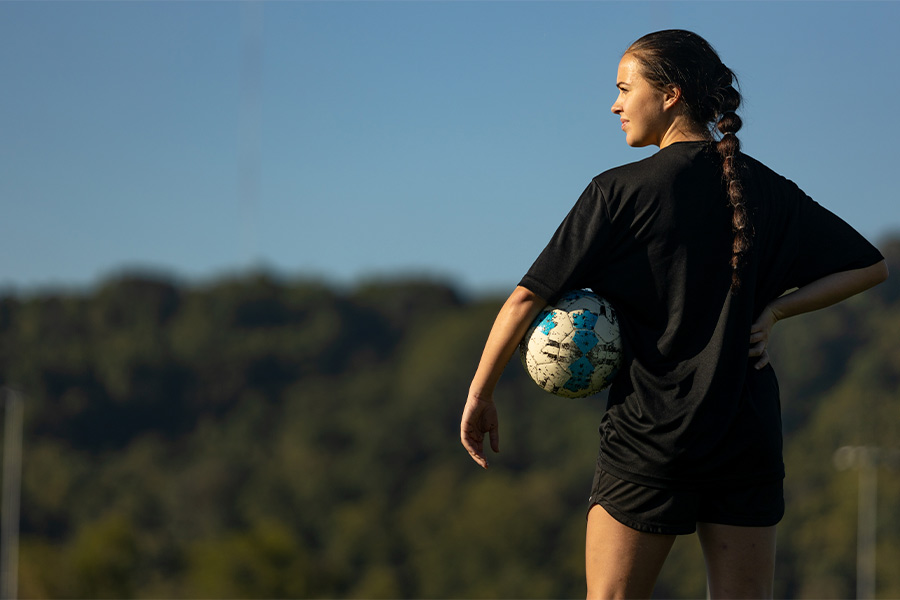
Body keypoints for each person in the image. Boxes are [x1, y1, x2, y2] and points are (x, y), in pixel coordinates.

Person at [459, 29, 888, 599]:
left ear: (670, 95)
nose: (614, 105)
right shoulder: (763, 188)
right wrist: (778, 311)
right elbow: (870, 267)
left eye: (623, 88)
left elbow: (525, 298)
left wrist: (480, 393)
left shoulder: (617, 191)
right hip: (747, 431)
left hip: (651, 434)